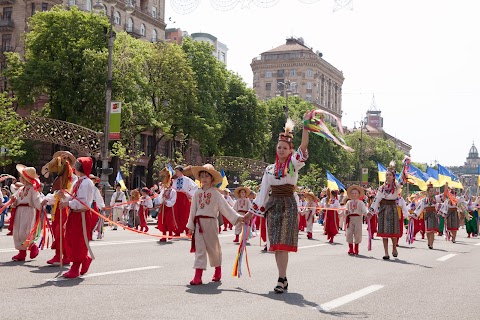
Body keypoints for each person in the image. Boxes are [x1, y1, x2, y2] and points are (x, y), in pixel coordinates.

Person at [245, 113, 311, 293]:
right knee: (276, 244)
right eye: (279, 147)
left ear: (290, 150)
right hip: (273, 206)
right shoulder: (270, 169)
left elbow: (303, 147)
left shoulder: (293, 164)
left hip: (289, 204)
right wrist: (250, 213)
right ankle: (283, 277)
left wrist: (305, 127)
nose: (281, 150)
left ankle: (281, 278)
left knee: (283, 242)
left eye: (285, 147)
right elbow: (263, 193)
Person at [186, 164, 244, 285]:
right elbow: (193, 210)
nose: (204, 178)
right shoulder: (197, 193)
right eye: (202, 176)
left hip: (211, 223)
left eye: (207, 176)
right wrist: (190, 226)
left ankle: (218, 270)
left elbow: (225, 208)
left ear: (212, 178)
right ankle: (198, 275)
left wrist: (238, 218)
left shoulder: (216, 193)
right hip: (198, 223)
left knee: (213, 248)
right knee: (200, 249)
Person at [41, 151, 77, 265]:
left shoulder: (74, 178)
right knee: (56, 231)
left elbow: (74, 194)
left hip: (67, 208)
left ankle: (67, 255)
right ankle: (58, 255)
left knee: (64, 232)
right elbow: (56, 193)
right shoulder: (60, 178)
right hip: (57, 208)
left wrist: (65, 197)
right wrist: (47, 199)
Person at [369, 162, 406, 260]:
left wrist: (405, 167)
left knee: (393, 231)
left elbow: (402, 181)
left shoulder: (396, 186)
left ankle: (394, 248)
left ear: (393, 177)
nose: (388, 177)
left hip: (393, 209)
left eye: (390, 175)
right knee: (384, 232)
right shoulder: (382, 188)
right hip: (383, 210)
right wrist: (371, 211)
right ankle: (386, 253)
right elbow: (377, 200)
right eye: (387, 175)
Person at [10, 164, 43, 261]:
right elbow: (16, 199)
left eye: (21, 176)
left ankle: (33, 246)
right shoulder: (20, 189)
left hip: (28, 211)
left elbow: (37, 200)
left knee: (25, 230)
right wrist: (13, 200)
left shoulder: (33, 189)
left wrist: (41, 205)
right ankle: (22, 252)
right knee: (18, 231)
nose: (20, 178)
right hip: (19, 211)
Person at [172, 165, 198, 236]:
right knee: (176, 214)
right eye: (175, 171)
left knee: (185, 214)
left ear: (181, 171)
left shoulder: (187, 179)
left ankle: (187, 230)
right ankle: (177, 231)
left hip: (184, 197)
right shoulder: (174, 180)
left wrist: (189, 193)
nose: (176, 173)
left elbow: (195, 187)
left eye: (177, 171)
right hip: (176, 197)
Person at [414, 183, 440, 249]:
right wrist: (415, 214)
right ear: (427, 192)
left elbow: (444, 196)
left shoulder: (436, 198)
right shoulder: (424, 200)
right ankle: (429, 241)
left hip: (433, 214)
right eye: (430, 191)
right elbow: (420, 207)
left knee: (432, 230)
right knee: (428, 230)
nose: (431, 192)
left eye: (432, 191)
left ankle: (431, 244)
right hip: (427, 215)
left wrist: (446, 186)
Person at [345, 185, 368, 255]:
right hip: (350, 219)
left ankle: (356, 248)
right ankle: (350, 248)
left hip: (358, 219)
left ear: (358, 194)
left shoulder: (361, 203)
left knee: (357, 233)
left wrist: (367, 214)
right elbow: (346, 209)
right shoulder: (348, 202)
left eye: (355, 193)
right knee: (349, 233)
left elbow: (364, 210)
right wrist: (346, 212)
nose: (354, 195)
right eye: (352, 193)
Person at [157, 168, 178, 242]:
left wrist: (167, 202)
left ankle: (170, 233)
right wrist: (162, 200)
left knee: (169, 221)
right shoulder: (163, 190)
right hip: (163, 208)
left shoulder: (173, 191)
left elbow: (173, 200)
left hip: (169, 209)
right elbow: (159, 197)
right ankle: (163, 236)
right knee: (162, 221)